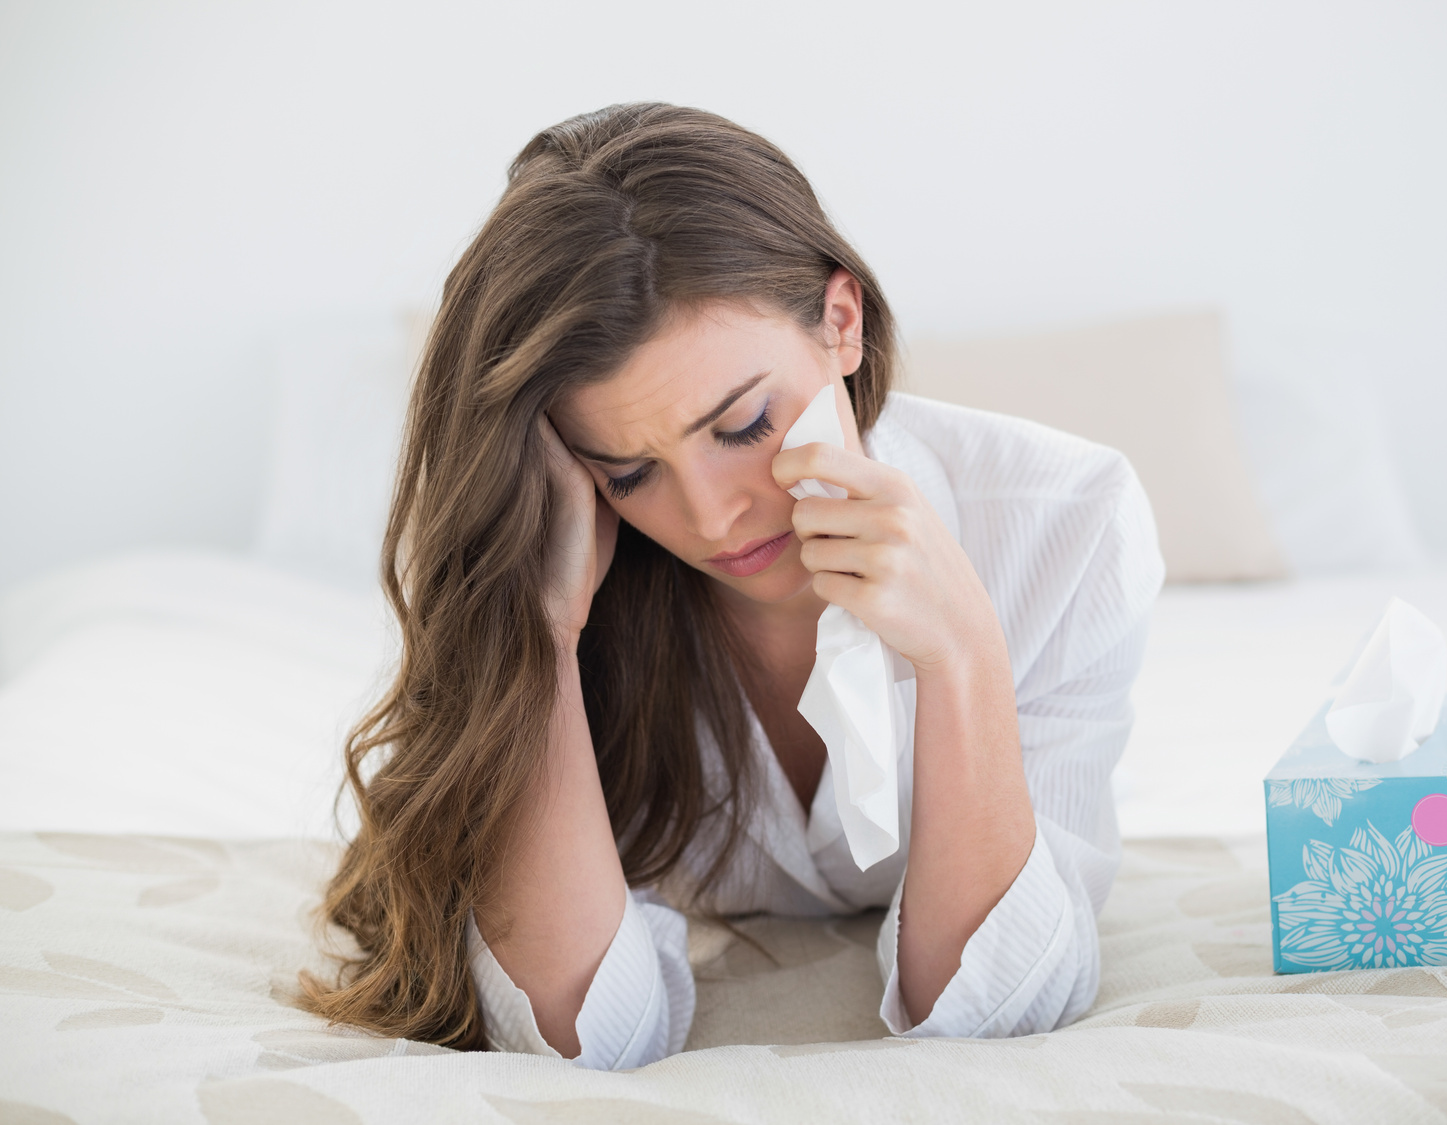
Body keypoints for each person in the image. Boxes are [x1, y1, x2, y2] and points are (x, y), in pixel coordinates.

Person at [303, 102, 1164, 1068]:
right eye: (630, 473)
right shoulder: (567, 568)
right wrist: (539, 635)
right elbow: (574, 1039)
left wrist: (961, 654)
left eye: (745, 425)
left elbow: (1001, 1008)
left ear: (842, 321)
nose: (712, 520)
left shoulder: (1066, 523)